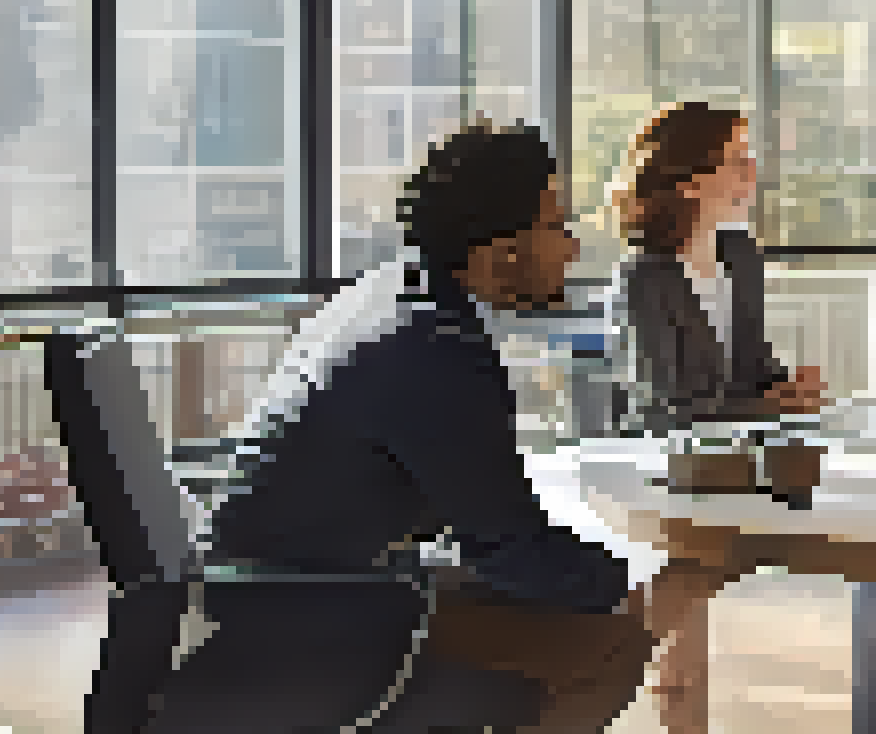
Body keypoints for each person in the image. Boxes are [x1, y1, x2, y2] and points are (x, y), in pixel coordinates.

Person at [189, 119, 654, 733]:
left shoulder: (388, 297)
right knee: (615, 638)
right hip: (309, 613)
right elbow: (510, 548)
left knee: (564, 601)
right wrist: (632, 581)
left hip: (260, 589)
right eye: (557, 225)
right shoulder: (438, 350)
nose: (572, 248)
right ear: (502, 249)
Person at [606, 101, 828, 734]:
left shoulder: (739, 255)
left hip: (729, 459)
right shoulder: (645, 279)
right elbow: (665, 405)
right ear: (688, 179)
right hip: (660, 465)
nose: (753, 172)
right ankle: (636, 685)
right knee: (690, 584)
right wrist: (771, 404)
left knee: (707, 576)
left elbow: (746, 367)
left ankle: (654, 687)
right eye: (737, 160)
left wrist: (783, 384)